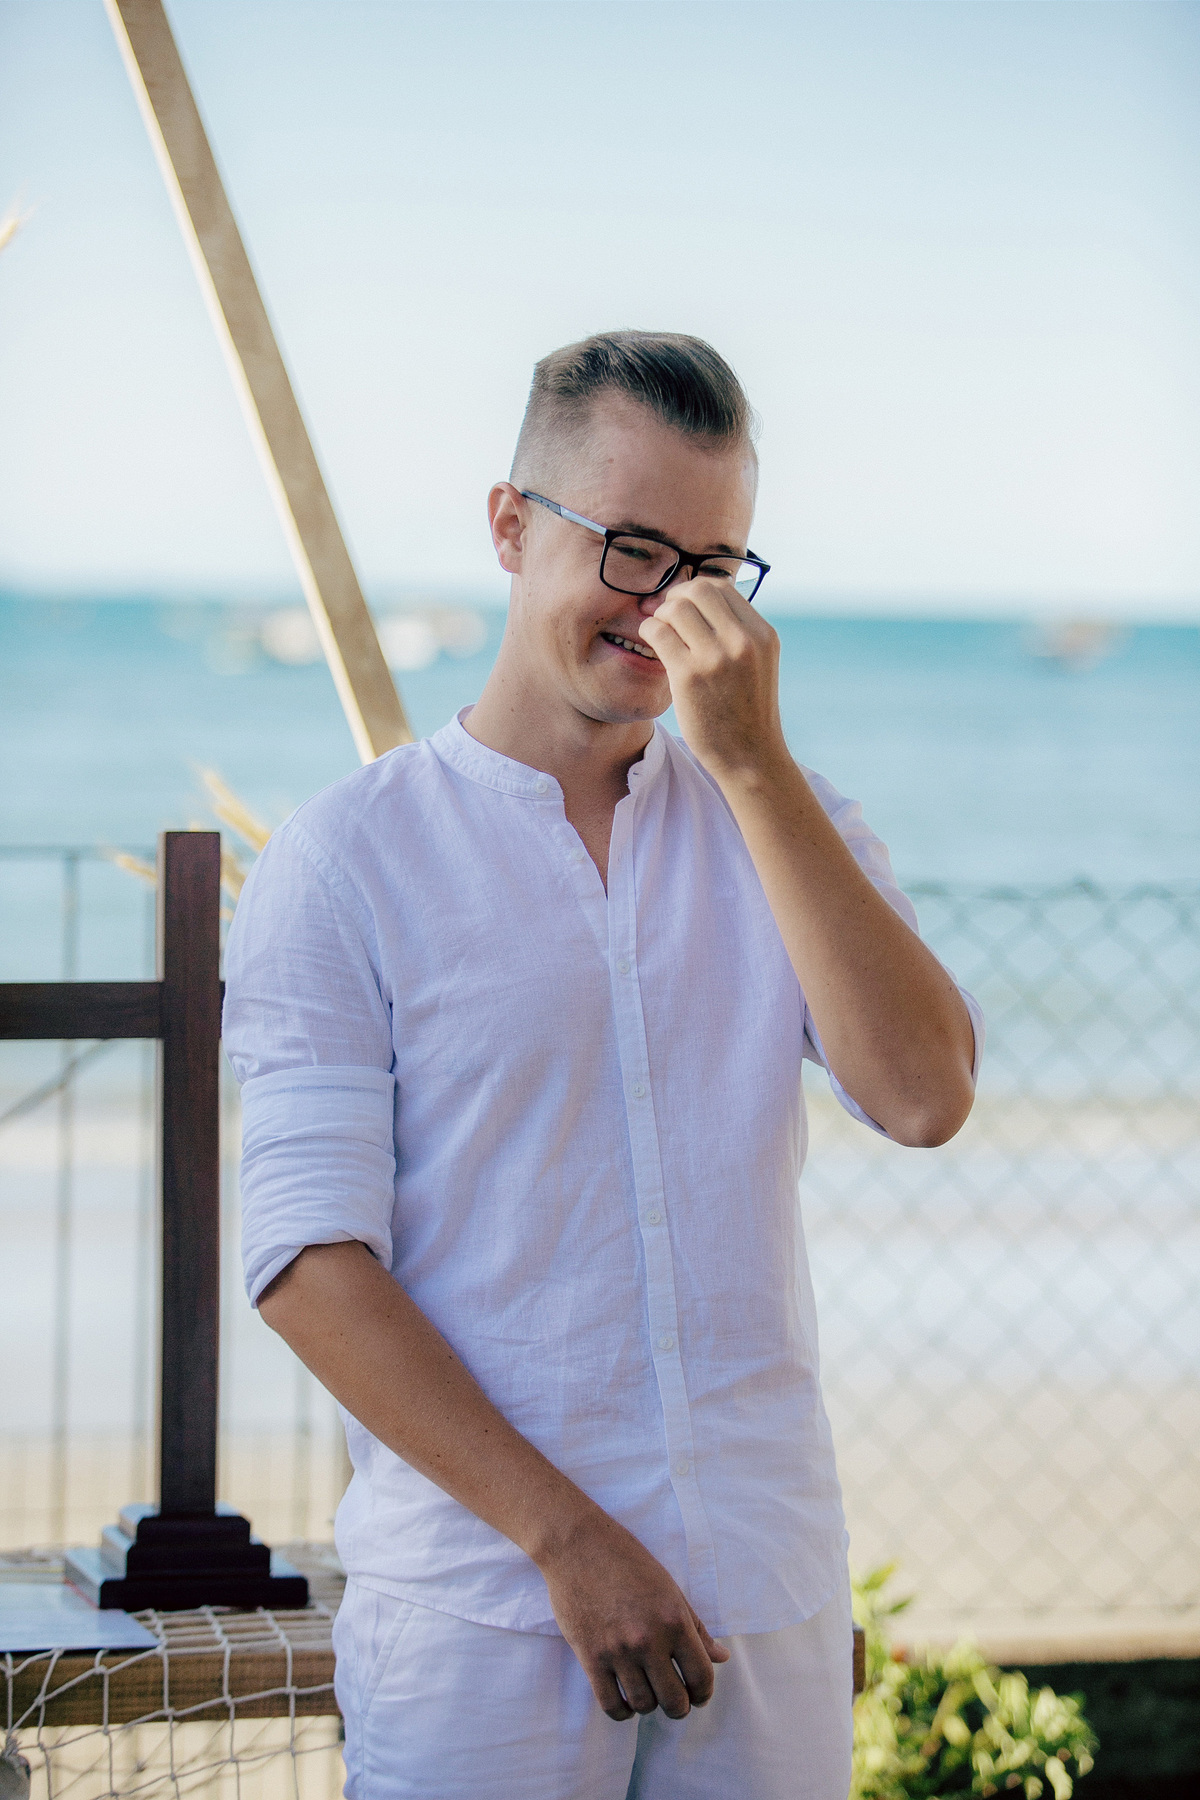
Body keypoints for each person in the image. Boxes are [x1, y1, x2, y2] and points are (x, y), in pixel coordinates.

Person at [223, 330, 982, 1800]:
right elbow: (309, 1263)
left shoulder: (789, 819)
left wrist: (752, 766)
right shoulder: (347, 859)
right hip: (483, 1614)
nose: (667, 609)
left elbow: (923, 1095)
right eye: (632, 550)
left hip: (760, 1595)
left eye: (715, 568)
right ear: (512, 527)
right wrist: (567, 1539)